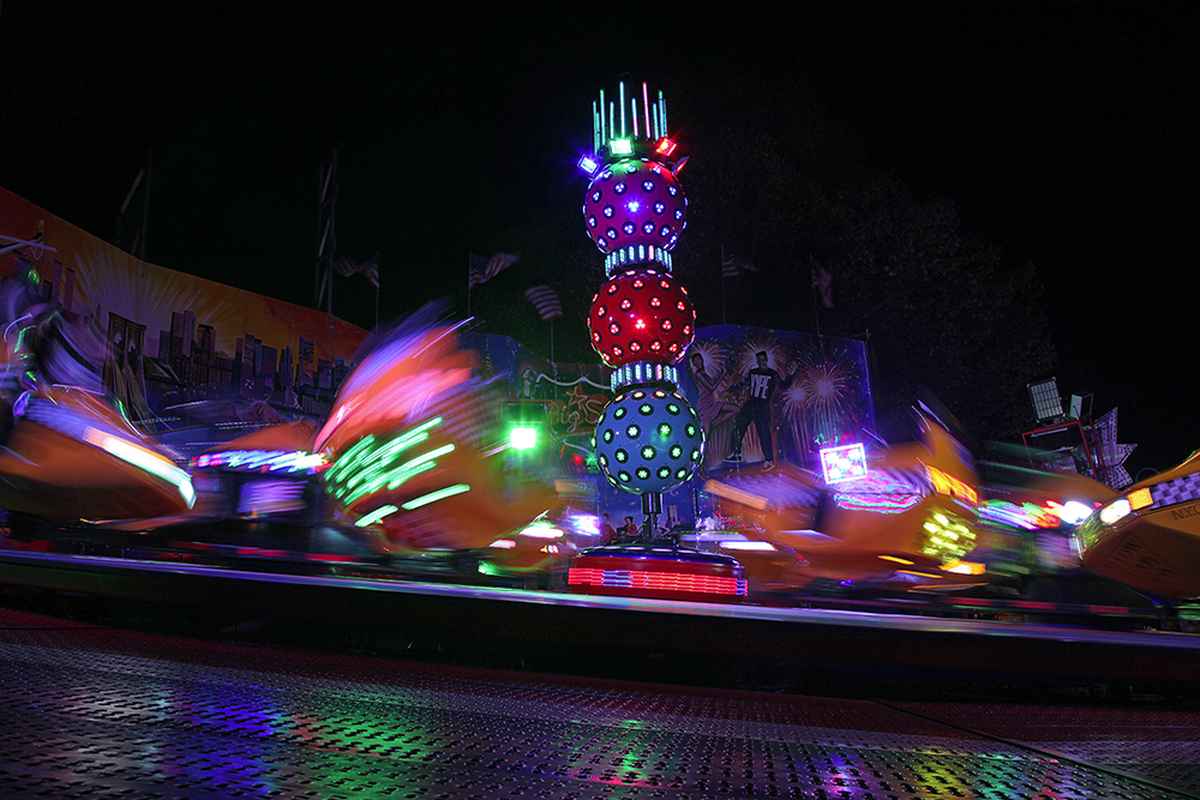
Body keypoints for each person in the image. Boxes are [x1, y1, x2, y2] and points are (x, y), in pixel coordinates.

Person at [729, 351, 796, 468]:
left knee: (764, 432)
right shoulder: (753, 372)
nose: (761, 362)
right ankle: (736, 453)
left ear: (766, 360)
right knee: (738, 424)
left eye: (762, 359)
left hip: (762, 406)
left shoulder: (772, 374)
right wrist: (734, 388)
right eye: (759, 360)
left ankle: (769, 459)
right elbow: (744, 384)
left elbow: (783, 385)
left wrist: (790, 375)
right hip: (751, 403)